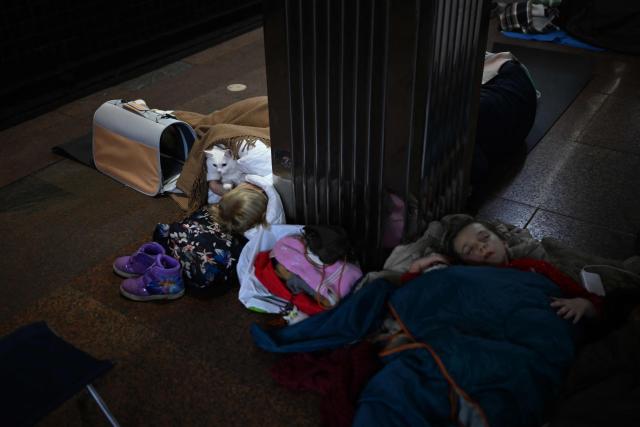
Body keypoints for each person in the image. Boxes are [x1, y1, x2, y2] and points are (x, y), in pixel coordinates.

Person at [407, 217, 600, 325]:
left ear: (504, 241)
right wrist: (416, 269)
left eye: (484, 238)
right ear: (463, 263)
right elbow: (419, 298)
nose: (481, 247)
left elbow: (593, 301)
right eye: (469, 250)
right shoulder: (466, 279)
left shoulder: (534, 268)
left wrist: (583, 304)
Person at [152, 182, 268, 296]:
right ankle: (178, 277)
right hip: (199, 273)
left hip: (174, 241)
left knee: (186, 230)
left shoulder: (206, 211)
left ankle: (163, 259)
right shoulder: (242, 246)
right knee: (223, 275)